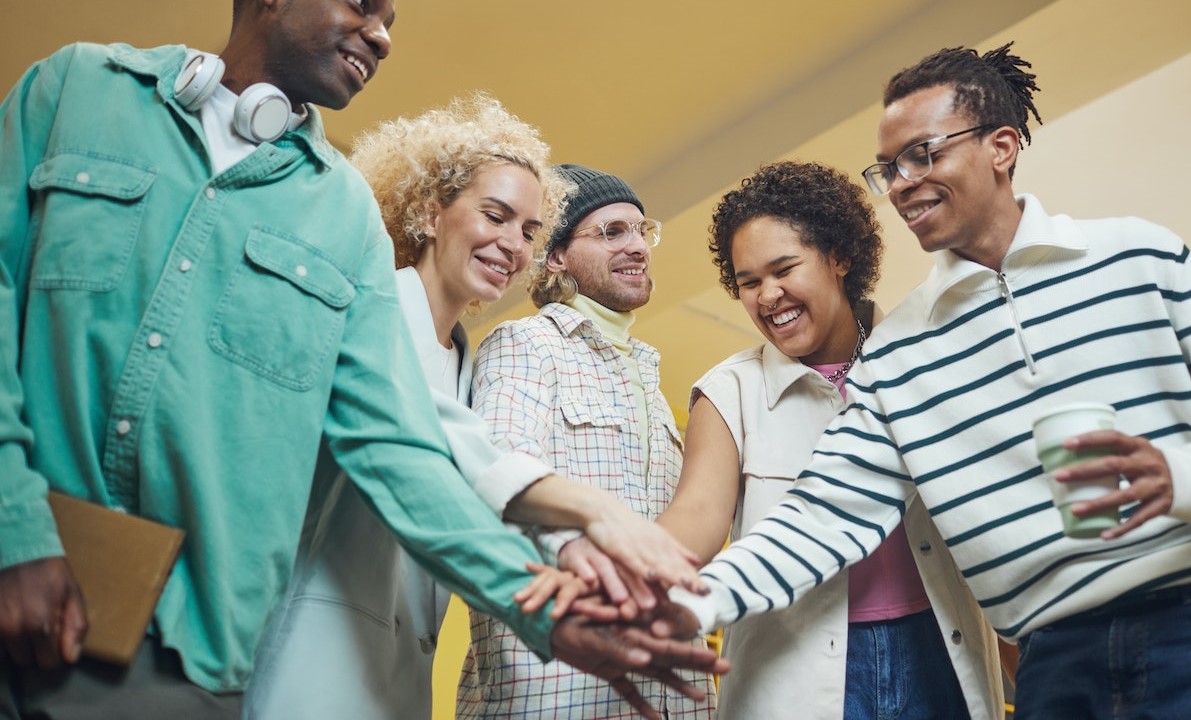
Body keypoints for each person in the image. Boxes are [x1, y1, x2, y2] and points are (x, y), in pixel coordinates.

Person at [0, 3, 725, 717]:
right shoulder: (74, 90)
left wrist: (539, 607)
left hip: (185, 647)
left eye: (530, 229)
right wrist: (17, 530)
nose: (380, 35)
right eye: (361, 4)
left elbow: (399, 445)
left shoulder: (341, 217)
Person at [660, 42, 1191, 718]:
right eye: (887, 169)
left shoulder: (1143, 255)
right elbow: (821, 518)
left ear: (1002, 147)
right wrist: (678, 603)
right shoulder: (898, 354)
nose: (899, 183)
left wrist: (1182, 479)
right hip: (1053, 661)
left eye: (921, 156)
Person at [245, 93, 703, 718]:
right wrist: (589, 517)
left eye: (528, 230)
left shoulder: (465, 366)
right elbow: (428, 444)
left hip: (404, 672)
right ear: (431, 214)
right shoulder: (365, 312)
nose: (513, 243)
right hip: (311, 650)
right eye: (495, 215)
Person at [657, 160, 1004, 719]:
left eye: (783, 268)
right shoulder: (729, 391)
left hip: (937, 655)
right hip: (791, 672)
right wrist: (631, 577)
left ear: (840, 257)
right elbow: (696, 515)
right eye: (749, 282)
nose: (768, 294)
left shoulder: (919, 360)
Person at [457, 165, 717, 719]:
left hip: (670, 687)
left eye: (642, 231)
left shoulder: (648, 372)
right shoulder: (526, 343)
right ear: (555, 256)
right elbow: (502, 474)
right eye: (611, 232)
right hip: (553, 685)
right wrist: (581, 565)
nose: (637, 246)